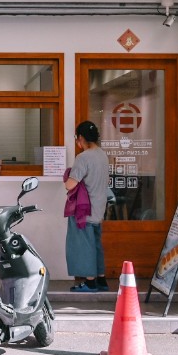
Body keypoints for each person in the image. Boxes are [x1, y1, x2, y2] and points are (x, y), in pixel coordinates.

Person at [64, 121, 110, 292]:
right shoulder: (102, 155)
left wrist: (67, 176)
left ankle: (90, 282)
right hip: (99, 208)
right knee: (96, 244)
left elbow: (70, 185)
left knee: (85, 246)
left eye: (77, 138)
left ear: (81, 138)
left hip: (84, 209)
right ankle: (101, 279)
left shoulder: (83, 158)